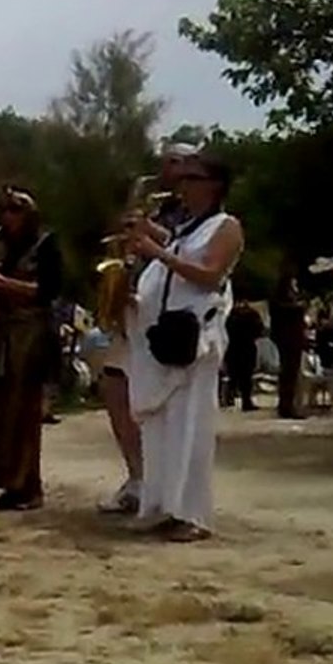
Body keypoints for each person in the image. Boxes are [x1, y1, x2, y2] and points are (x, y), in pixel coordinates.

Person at [127, 153, 244, 542]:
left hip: (195, 338)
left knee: (191, 427)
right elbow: (180, 252)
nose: (184, 185)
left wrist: (157, 252)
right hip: (164, 336)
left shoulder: (226, 227)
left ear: (214, 184)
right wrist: (153, 235)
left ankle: (194, 515)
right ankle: (163, 505)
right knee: (162, 428)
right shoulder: (186, 229)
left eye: (193, 178)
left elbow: (210, 275)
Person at [0, 186, 62, 510]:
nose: (8, 217)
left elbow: (49, 290)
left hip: (31, 332)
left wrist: (3, 283)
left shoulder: (46, 244)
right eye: (4, 210)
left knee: (25, 412)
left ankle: (30, 485)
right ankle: (8, 480)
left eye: (15, 210)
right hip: (2, 331)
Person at [81, 324, 143, 515]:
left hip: (150, 335)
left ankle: (154, 485)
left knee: (147, 415)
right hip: (120, 337)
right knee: (118, 404)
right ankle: (136, 478)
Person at [269, 271, 306, 419]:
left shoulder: (283, 300)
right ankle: (286, 406)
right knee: (289, 373)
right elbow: (288, 311)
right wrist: (299, 307)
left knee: (290, 374)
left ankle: (288, 404)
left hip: (291, 338)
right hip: (288, 339)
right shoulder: (282, 301)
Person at [224, 295, 264, 411]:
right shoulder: (251, 314)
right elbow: (259, 330)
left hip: (233, 347)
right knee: (246, 377)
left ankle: (229, 398)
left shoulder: (231, 315)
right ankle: (246, 401)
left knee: (234, 375)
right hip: (247, 347)